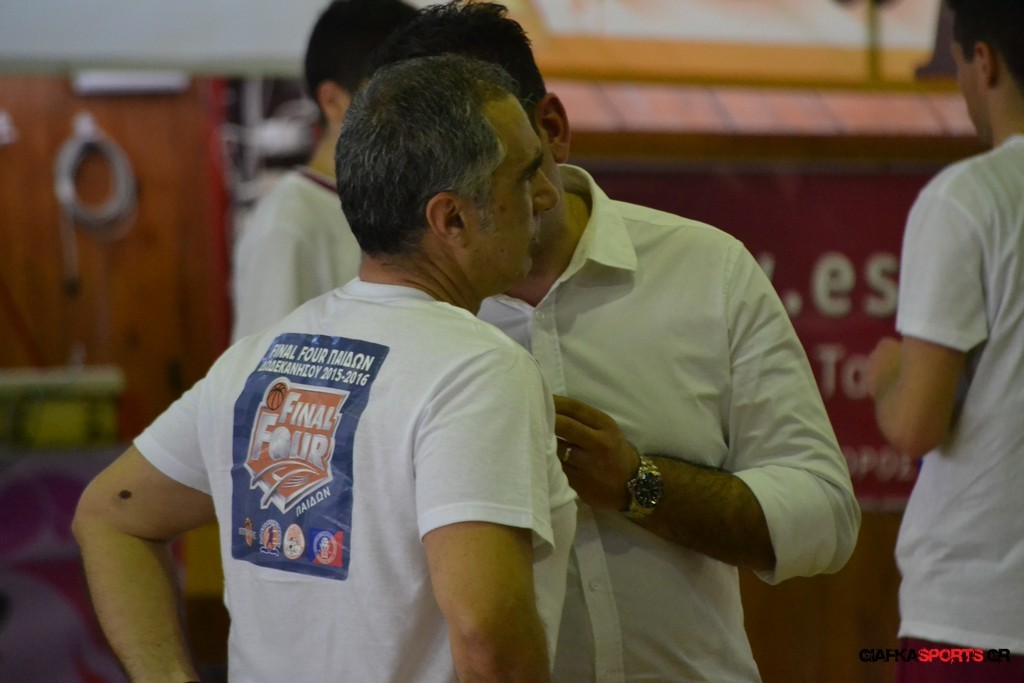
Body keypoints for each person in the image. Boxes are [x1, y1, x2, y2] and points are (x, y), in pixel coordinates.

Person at [372, 4, 861, 681]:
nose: (464, 208)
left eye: (482, 166)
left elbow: (825, 516)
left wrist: (639, 482)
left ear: (550, 130)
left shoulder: (706, 269)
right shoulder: (392, 316)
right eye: (438, 179)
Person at [71, 54, 577, 683]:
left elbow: (111, 510)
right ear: (451, 219)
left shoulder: (259, 358)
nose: (547, 195)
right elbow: (486, 635)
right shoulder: (478, 371)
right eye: (525, 177)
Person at [866, 1, 1024, 680]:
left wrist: (887, 375)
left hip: (977, 619)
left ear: (984, 62)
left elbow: (915, 425)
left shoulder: (967, 199)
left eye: (957, 63)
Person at [230, 0, 417, 341]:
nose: (421, 115)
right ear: (333, 100)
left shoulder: (397, 200)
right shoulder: (289, 223)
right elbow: (267, 363)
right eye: (399, 95)